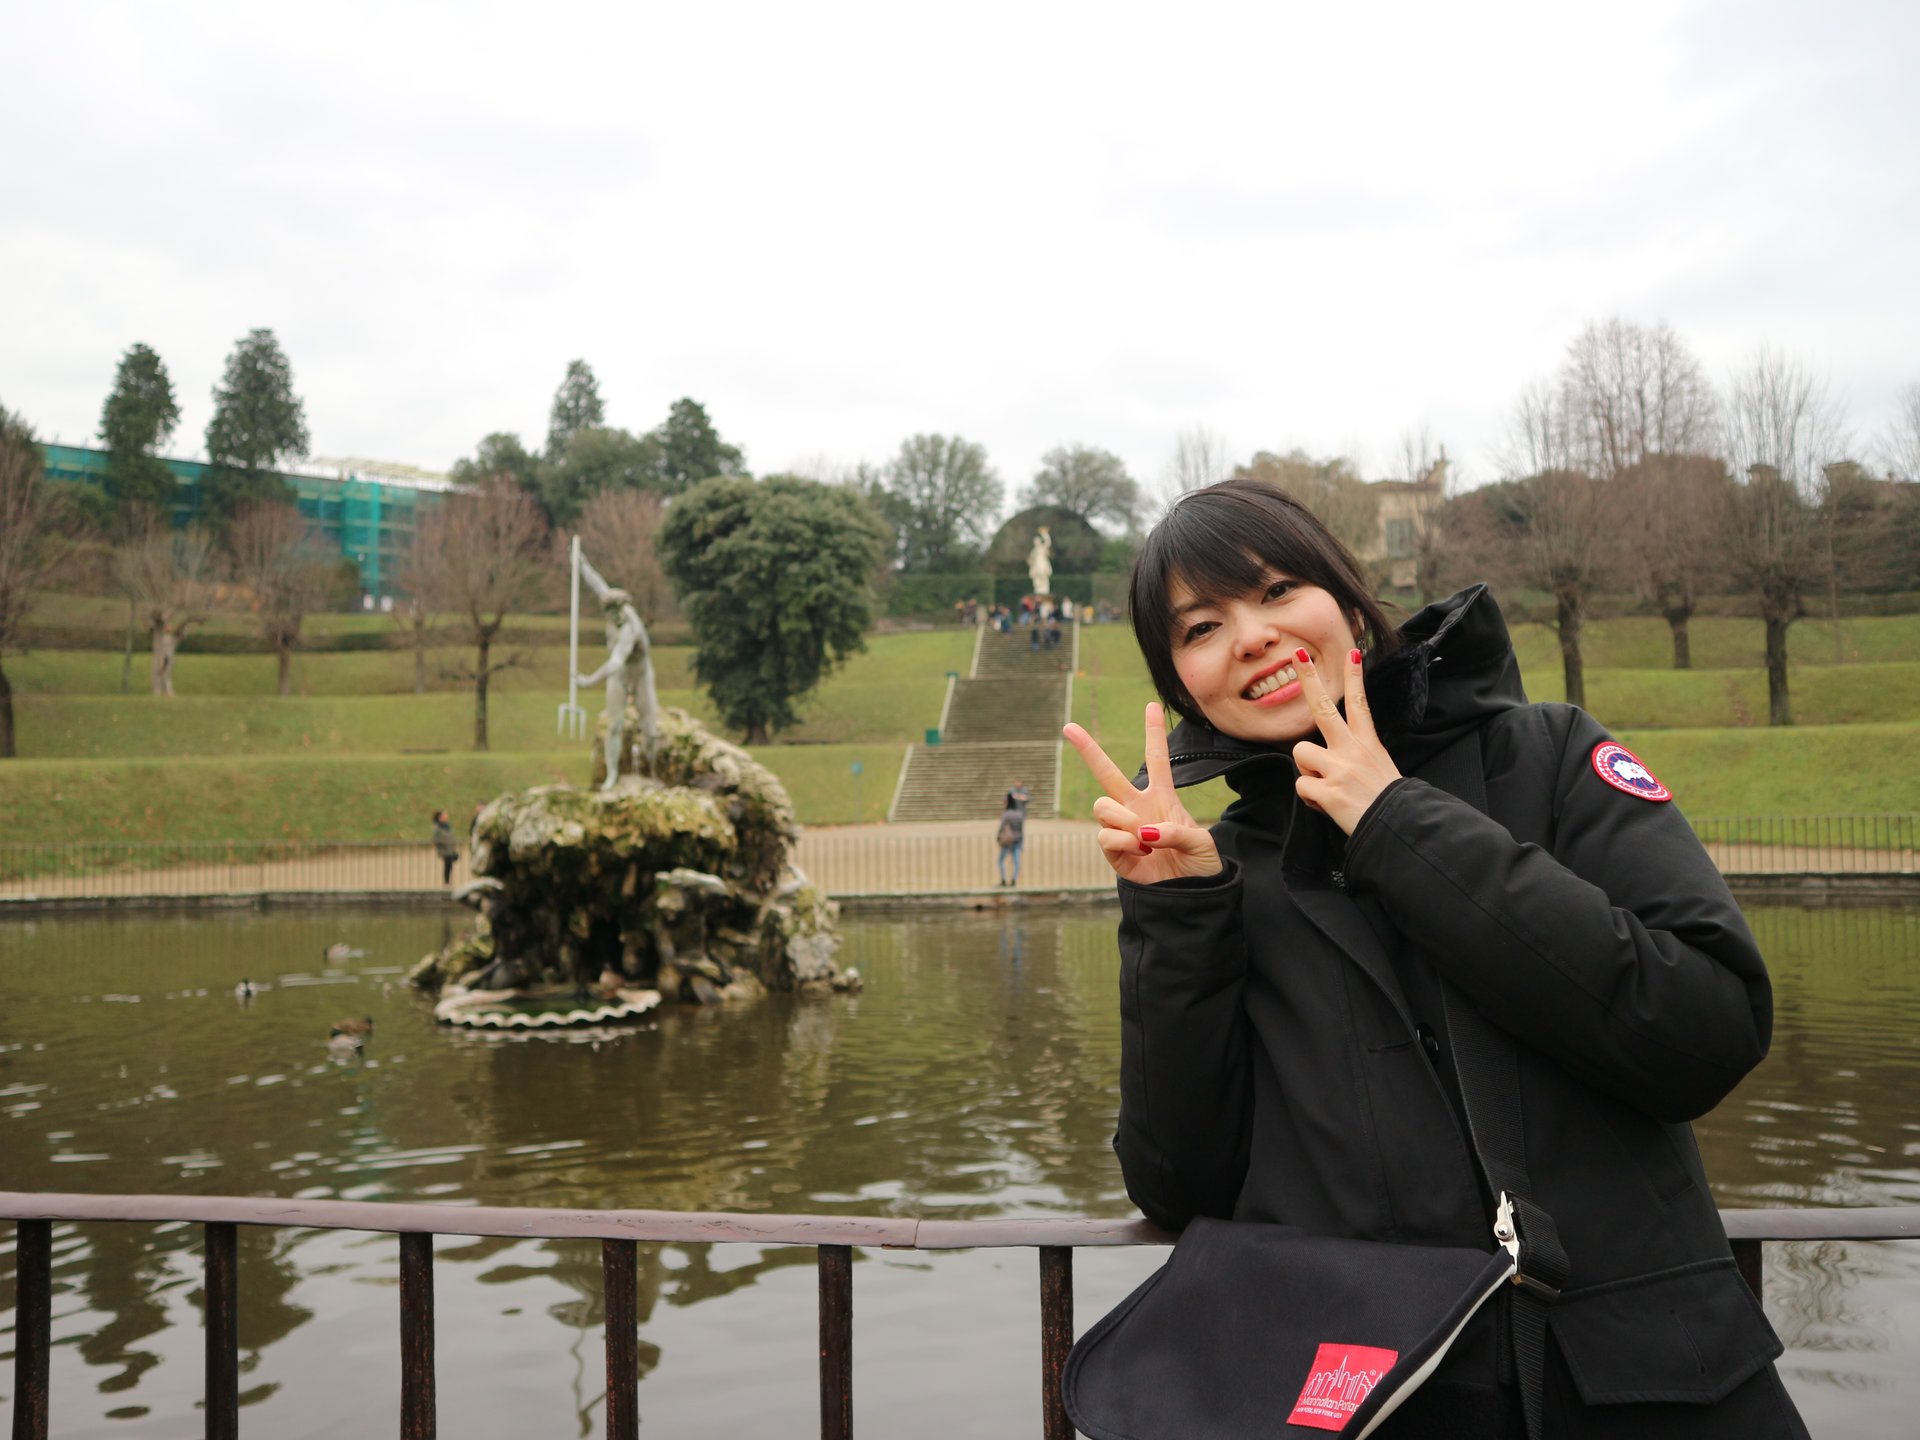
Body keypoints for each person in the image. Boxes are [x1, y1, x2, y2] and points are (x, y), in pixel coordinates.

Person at [1062, 477, 1805, 1438]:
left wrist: (1397, 824)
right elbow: (1178, 1186)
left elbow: (1708, 1030)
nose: (1250, 635)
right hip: (1376, 1405)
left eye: (1280, 589)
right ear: (1182, 689)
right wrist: (1178, 917)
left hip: (1646, 1391)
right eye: (1201, 628)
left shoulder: (1545, 758)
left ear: (1351, 604)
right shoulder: (1218, 879)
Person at [996, 789, 1027, 887]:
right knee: (1016, 861)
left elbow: (1002, 828)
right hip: (1017, 840)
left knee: (1001, 860)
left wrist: (998, 837)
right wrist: (1022, 841)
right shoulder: (1019, 814)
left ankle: (1003, 879)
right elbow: (1021, 829)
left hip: (1007, 841)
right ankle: (1014, 879)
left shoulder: (1006, 814)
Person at [431, 809, 459, 885]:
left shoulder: (447, 826)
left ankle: (448, 881)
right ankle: (446, 882)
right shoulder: (438, 827)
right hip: (445, 850)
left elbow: (451, 837)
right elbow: (436, 839)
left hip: (450, 849)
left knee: (449, 866)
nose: (446, 817)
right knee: (447, 866)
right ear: (440, 817)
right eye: (444, 815)